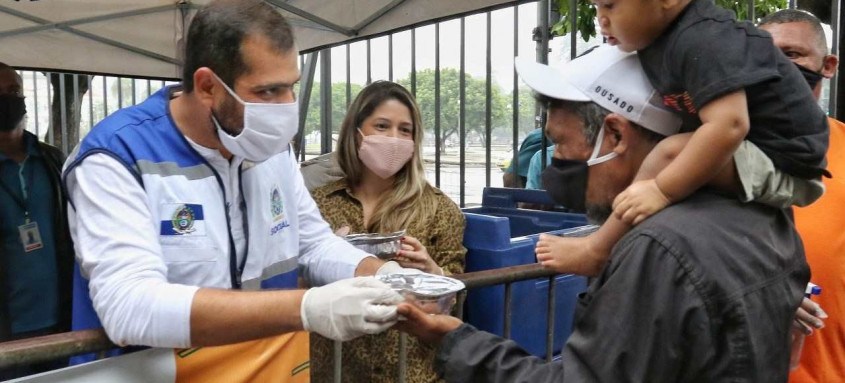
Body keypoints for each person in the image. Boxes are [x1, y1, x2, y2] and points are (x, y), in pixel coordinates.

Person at [396, 45, 809, 382]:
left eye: (559, 142)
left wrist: (456, 341)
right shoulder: (764, 215)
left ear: (614, 133)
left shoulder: (658, 247)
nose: (555, 159)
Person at [62, 0, 408, 362]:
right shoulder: (118, 156)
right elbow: (130, 307)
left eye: (291, 86)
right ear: (208, 86)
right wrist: (308, 307)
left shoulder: (269, 147)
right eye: (267, 92)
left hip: (260, 366)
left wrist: (385, 274)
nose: (287, 107)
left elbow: (313, 244)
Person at [536, 0, 830, 276]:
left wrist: (661, 190)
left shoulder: (702, 39)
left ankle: (597, 250)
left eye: (611, 5)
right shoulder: (664, 41)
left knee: (670, 154)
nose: (601, 18)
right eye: (596, 5)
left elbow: (729, 125)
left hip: (787, 162)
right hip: (767, 152)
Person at [309, 81, 466, 382]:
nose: (394, 139)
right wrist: (328, 257)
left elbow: (456, 297)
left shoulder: (438, 208)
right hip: (336, 368)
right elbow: (295, 279)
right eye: (382, 126)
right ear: (357, 133)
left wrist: (432, 272)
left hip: (411, 371)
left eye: (405, 130)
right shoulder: (319, 204)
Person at [760, 9, 844, 383]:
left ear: (828, 65)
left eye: (792, 54)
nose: (777, 66)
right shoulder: (716, 154)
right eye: (765, 55)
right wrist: (767, 298)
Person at [0, 63, 74, 380]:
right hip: (6, 331)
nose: (7, 99)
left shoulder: (52, 160)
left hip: (59, 324)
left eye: (13, 91)